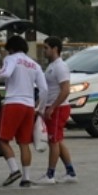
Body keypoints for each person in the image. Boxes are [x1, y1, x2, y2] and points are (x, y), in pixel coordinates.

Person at [0, 34, 47, 188]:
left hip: (13, 103)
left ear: (11, 49)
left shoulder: (11, 59)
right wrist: (39, 107)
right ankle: (26, 178)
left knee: (2, 139)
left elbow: (5, 74)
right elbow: (44, 89)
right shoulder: (34, 64)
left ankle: (14, 170)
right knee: (24, 142)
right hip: (28, 107)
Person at [35, 36, 77, 185]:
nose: (44, 50)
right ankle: (70, 172)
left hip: (58, 108)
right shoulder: (52, 66)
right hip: (52, 107)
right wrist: (40, 106)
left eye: (46, 48)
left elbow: (65, 90)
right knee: (57, 141)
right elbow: (47, 89)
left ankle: (50, 175)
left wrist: (52, 107)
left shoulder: (60, 66)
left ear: (55, 49)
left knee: (53, 141)